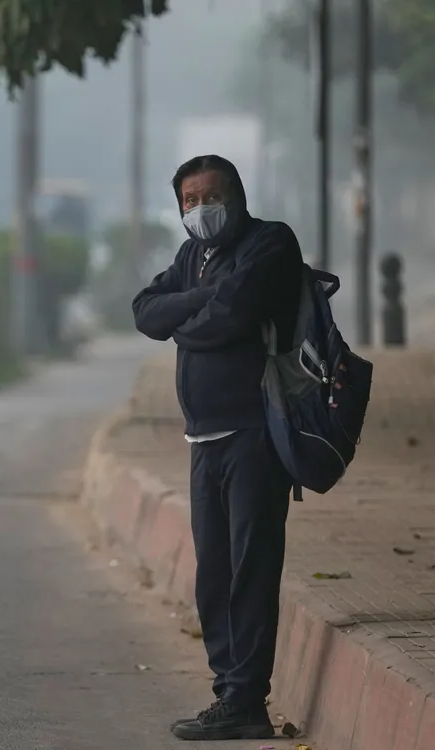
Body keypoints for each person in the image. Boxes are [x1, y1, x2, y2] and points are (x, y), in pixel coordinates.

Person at [131, 154, 303, 742]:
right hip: (203, 440)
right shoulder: (191, 256)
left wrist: (192, 313)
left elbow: (229, 318)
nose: (201, 209)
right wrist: (196, 303)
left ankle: (246, 700)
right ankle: (227, 693)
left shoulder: (270, 244)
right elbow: (146, 312)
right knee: (215, 576)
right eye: (189, 201)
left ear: (237, 194)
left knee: (251, 570)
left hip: (255, 433)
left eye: (211, 196)